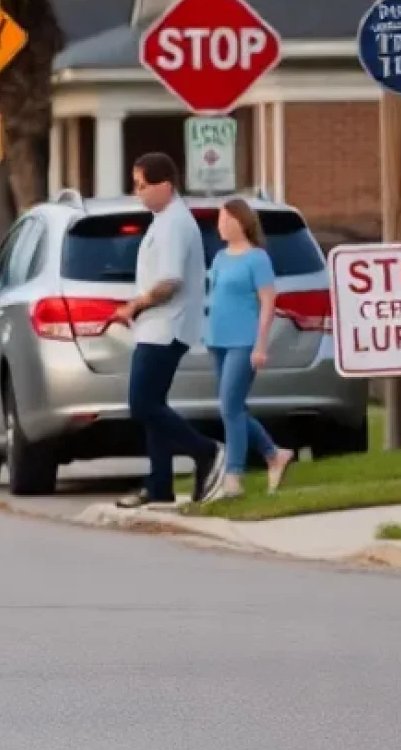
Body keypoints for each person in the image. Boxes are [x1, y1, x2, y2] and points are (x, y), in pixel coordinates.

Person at [112, 152, 226, 510]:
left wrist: (134, 306)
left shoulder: (176, 223)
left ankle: (205, 451)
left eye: (143, 185)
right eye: (136, 186)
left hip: (167, 326)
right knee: (154, 405)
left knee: (142, 404)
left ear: (166, 185)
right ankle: (159, 486)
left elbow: (169, 283)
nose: (139, 193)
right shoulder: (163, 220)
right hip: (154, 328)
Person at [203, 197, 295, 503]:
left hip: (244, 342)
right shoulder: (219, 258)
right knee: (235, 408)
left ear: (240, 222)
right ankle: (274, 454)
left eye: (224, 219)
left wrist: (261, 344)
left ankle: (234, 477)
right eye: (218, 219)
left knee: (229, 407)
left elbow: (269, 301)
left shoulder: (257, 258)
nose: (220, 225)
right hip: (218, 340)